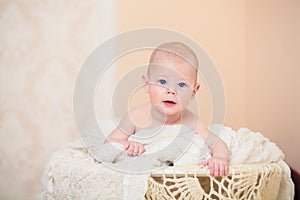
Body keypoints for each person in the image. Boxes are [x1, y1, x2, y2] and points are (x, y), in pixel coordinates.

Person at [106, 42, 230, 177]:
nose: (171, 91)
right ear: (147, 85)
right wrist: (127, 144)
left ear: (193, 92)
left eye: (182, 84)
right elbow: (110, 142)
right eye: (162, 82)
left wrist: (219, 158)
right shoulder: (136, 117)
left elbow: (218, 143)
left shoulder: (192, 122)